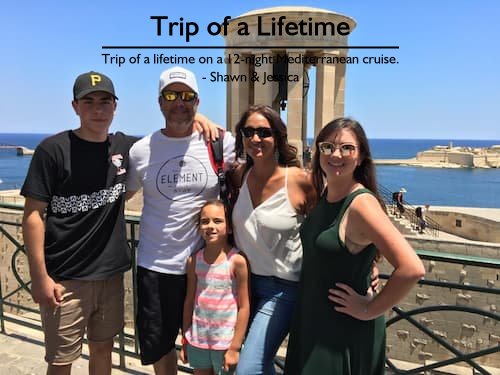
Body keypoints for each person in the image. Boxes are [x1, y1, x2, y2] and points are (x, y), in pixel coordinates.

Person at [284, 118, 425, 375]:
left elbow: (412, 268)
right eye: (327, 147)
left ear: (360, 157)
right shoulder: (327, 194)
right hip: (314, 319)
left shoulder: (361, 204)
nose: (336, 154)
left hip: (341, 329)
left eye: (347, 148)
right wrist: (365, 265)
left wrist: (368, 308)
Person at [21, 71, 137, 375]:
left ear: (115, 106)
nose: (97, 109)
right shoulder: (53, 150)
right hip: (65, 280)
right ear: (75, 106)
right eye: (89, 102)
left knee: (103, 349)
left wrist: (200, 119)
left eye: (105, 101)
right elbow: (33, 215)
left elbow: (170, 139)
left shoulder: (124, 147)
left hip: (110, 276)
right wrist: (39, 277)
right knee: (60, 361)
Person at [126, 66, 235, 375]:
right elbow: (121, 195)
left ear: (197, 102)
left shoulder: (219, 143)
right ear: (159, 102)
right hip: (155, 265)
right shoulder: (141, 150)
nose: (179, 103)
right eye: (171, 95)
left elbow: (261, 169)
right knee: (160, 348)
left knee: (209, 347)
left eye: (187, 96)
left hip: (205, 267)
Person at [230, 104, 317, 374]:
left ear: (277, 137)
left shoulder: (300, 181)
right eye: (249, 132)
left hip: (282, 289)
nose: (255, 139)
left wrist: (369, 261)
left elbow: (331, 227)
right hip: (242, 286)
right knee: (260, 362)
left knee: (248, 368)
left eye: (264, 132)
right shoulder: (239, 175)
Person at [180, 200, 250, 375]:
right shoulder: (194, 260)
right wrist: (185, 340)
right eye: (205, 221)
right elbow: (190, 301)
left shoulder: (237, 261)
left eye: (217, 221)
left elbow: (244, 306)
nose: (210, 226)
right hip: (198, 340)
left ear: (230, 227)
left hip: (225, 343)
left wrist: (235, 347)